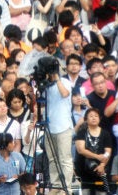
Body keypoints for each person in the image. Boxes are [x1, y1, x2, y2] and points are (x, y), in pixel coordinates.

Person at [44, 62, 74, 195]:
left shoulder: (65, 81)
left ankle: (66, 188)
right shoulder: (45, 86)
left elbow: (65, 94)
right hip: (49, 127)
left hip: (63, 127)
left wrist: (56, 78)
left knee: (65, 159)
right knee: (52, 159)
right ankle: (56, 185)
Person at [74, 108, 113, 195]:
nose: (94, 118)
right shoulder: (81, 132)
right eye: (91, 116)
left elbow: (108, 152)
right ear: (86, 119)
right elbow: (81, 150)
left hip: (101, 170)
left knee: (101, 192)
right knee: (85, 192)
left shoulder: (105, 133)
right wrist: (98, 157)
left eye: (96, 116)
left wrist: (102, 165)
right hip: (84, 169)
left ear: (99, 118)